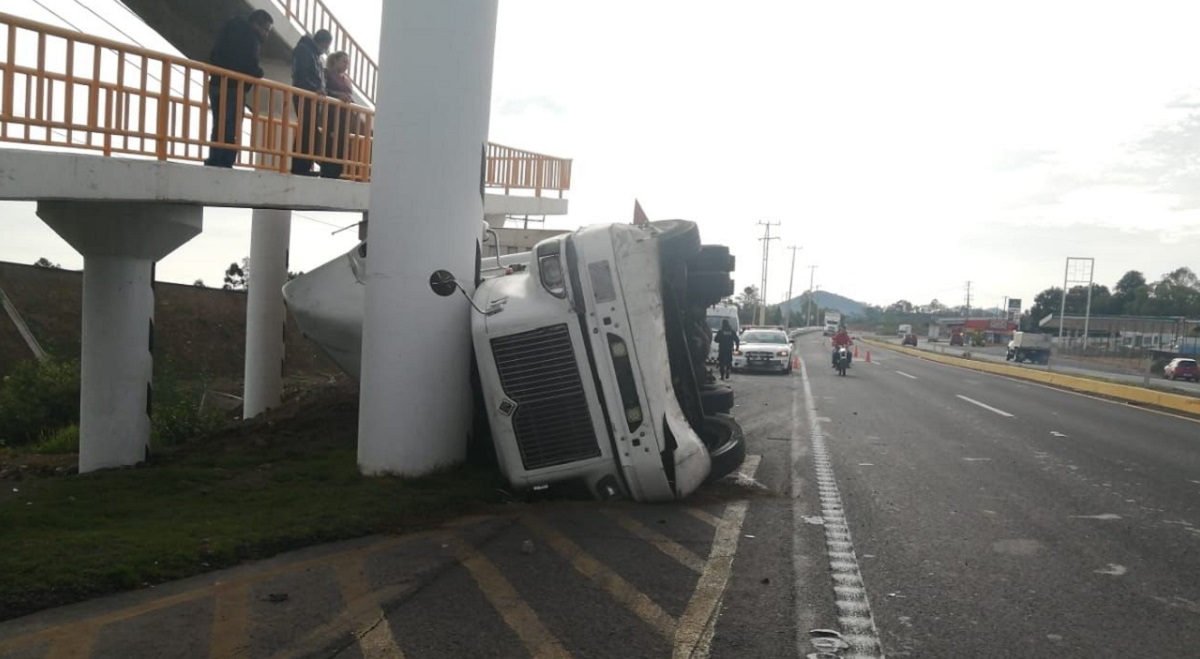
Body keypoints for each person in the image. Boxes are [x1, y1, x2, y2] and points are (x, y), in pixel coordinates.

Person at [205, 10, 273, 168]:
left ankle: (215, 159)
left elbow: (215, 54)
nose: (267, 34)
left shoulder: (228, 30)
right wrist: (258, 72)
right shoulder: (250, 39)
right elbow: (249, 64)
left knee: (219, 124)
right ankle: (224, 162)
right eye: (267, 29)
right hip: (233, 87)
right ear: (257, 25)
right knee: (230, 127)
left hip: (217, 82)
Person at [290, 29, 333, 176]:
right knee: (307, 130)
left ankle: (303, 166)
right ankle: (300, 167)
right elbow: (300, 74)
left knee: (309, 131)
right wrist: (315, 88)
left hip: (312, 97)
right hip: (305, 96)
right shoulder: (304, 50)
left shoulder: (314, 54)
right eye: (327, 45)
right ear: (324, 42)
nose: (326, 49)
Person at [321, 51, 354, 179]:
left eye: (348, 63)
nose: (346, 65)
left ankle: (337, 172)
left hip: (344, 117)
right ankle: (328, 171)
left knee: (341, 143)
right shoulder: (327, 74)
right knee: (330, 142)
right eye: (344, 61)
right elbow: (324, 90)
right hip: (331, 114)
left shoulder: (346, 79)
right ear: (335, 61)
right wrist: (337, 95)